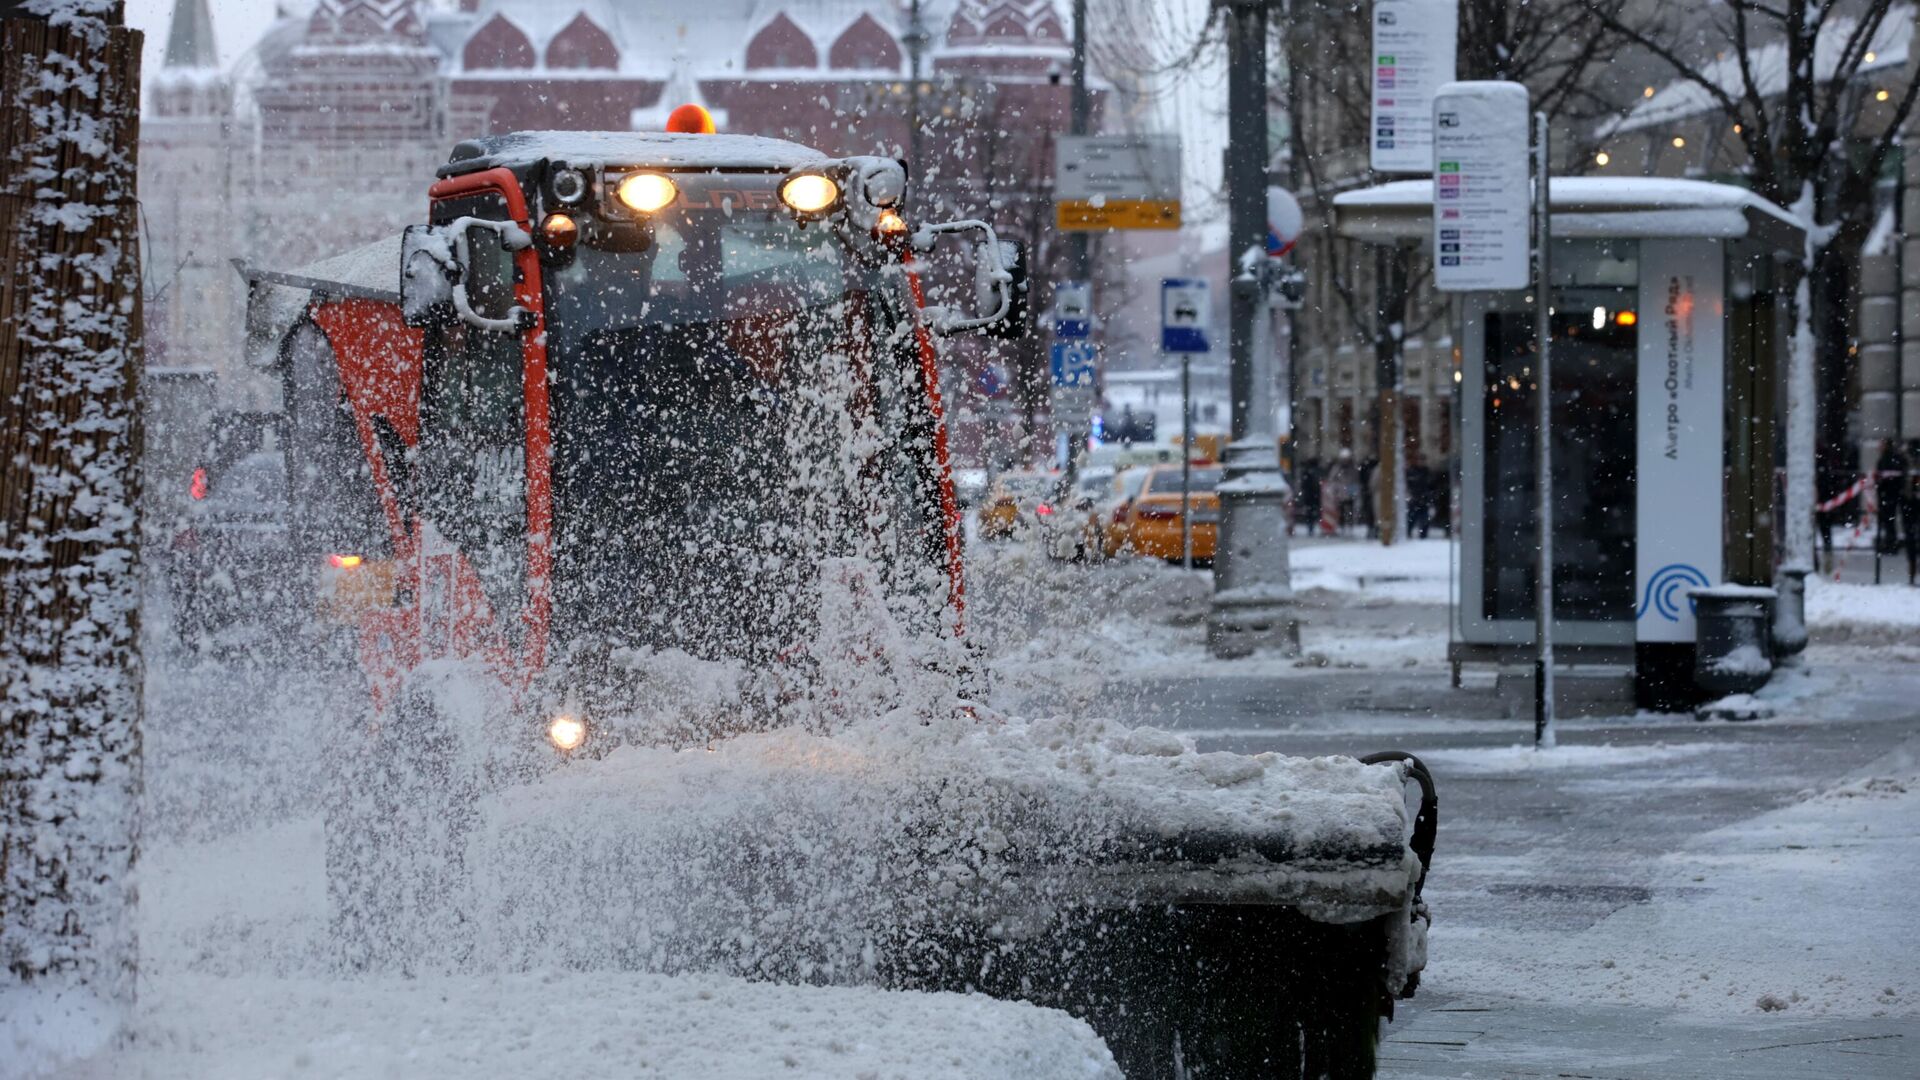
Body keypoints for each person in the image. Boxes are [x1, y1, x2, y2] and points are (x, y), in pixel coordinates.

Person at [1874, 438, 1905, 556]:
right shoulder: (1891, 458)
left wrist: (1882, 484)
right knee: (1888, 520)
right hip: (1890, 493)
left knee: (1888, 520)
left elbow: (1888, 475)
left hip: (1888, 493)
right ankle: (1890, 543)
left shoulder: (1887, 458)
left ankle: (1890, 544)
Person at [1406, 454, 1433, 539]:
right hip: (1414, 499)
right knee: (1411, 519)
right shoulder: (1410, 471)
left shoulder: (1426, 471)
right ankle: (1408, 534)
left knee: (1424, 520)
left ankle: (1423, 535)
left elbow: (1430, 485)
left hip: (1424, 499)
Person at [1905, 439, 1920, 585]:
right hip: (1910, 504)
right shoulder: (1907, 464)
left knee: (1911, 539)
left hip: (1909, 505)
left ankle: (1912, 570)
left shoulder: (1906, 464)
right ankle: (1912, 569)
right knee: (1912, 539)